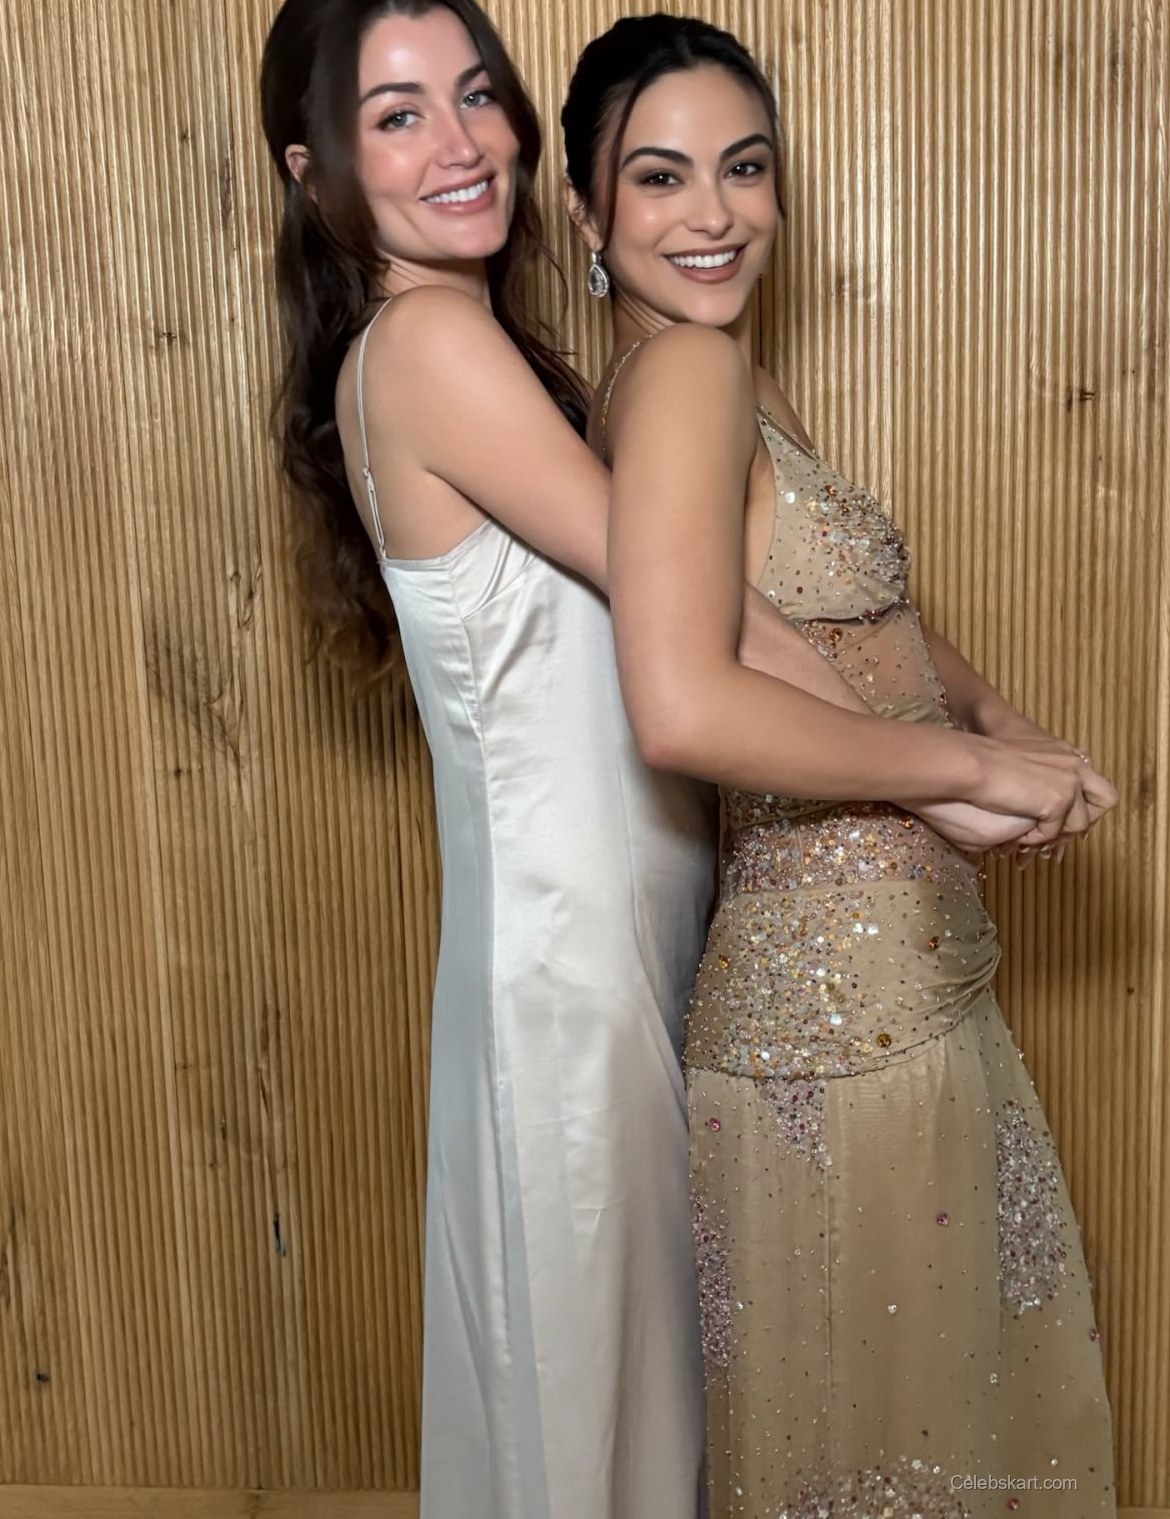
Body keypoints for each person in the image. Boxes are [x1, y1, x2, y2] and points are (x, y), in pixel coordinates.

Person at [561, 14, 1118, 1516]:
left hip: (890, 979)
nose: (715, 213)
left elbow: (852, 619)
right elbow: (682, 705)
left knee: (932, 1446)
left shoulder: (720, 374)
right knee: (887, 1469)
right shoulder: (684, 377)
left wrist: (998, 725)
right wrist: (962, 773)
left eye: (744, 169)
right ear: (587, 215)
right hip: (832, 1012)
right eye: (660, 176)